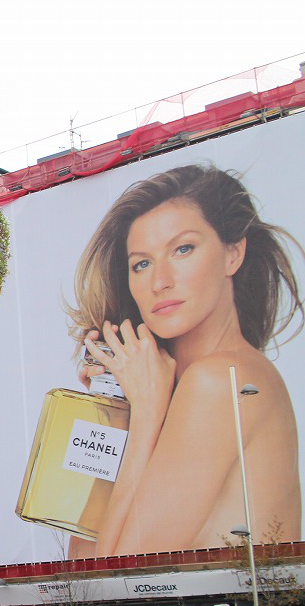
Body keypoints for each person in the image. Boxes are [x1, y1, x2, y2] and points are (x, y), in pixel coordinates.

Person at [71, 164, 304, 558]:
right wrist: (119, 413)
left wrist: (145, 415)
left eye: (183, 249)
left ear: (233, 253)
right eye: (141, 263)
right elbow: (78, 563)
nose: (159, 280)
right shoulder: (190, 386)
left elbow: (115, 574)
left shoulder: (220, 381)